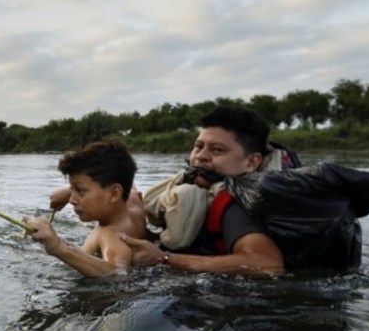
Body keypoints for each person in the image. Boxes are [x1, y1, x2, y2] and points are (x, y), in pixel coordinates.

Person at [121, 106, 287, 276]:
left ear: (251, 162)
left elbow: (268, 264)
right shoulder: (200, 194)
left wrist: (164, 259)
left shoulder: (237, 205)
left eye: (217, 150)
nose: (201, 156)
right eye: (198, 146)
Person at [23, 138, 146, 278]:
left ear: (114, 193)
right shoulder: (134, 202)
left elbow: (117, 273)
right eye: (72, 189)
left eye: (80, 190)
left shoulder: (111, 235)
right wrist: (71, 190)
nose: (71, 200)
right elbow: (127, 183)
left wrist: (59, 247)